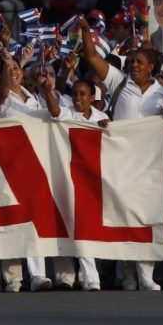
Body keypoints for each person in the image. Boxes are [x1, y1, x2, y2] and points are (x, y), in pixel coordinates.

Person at [82, 15, 163, 291]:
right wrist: (86, 31)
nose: (133, 66)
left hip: (151, 162)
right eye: (131, 62)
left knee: (147, 216)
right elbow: (92, 57)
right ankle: (127, 271)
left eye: (139, 63)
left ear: (151, 67)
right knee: (123, 215)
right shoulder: (119, 81)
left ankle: (145, 273)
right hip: (120, 161)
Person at [0, 46, 56, 293]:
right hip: (6, 165)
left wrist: (17, 61)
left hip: (33, 165)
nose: (14, 72)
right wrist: (6, 64)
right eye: (9, 69)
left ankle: (37, 274)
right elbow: (4, 88)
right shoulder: (1, 95)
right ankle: (13, 278)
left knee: (35, 220)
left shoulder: (32, 97)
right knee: (11, 221)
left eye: (17, 68)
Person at [42, 75, 109, 291]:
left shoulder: (102, 116)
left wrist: (107, 128)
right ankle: (70, 277)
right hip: (66, 178)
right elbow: (55, 111)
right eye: (75, 94)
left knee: (86, 228)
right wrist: (47, 92)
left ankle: (91, 276)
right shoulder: (68, 113)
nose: (78, 98)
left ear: (92, 97)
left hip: (92, 181)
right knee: (66, 226)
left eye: (83, 94)